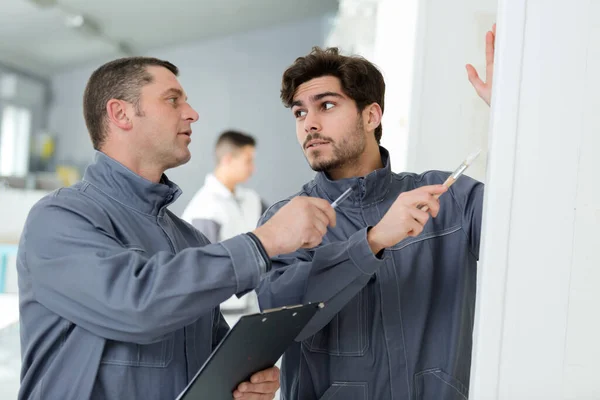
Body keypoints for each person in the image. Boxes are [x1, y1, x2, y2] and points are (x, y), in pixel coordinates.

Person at [16, 57, 337, 400]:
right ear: (120, 113)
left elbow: (210, 362)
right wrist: (264, 242)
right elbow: (137, 304)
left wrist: (240, 383)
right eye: (173, 100)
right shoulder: (59, 218)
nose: (192, 113)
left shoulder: (188, 240)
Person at [255, 26, 495, 400]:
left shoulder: (449, 197)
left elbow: (533, 226)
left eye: (327, 105)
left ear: (371, 116)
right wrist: (373, 241)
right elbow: (284, 318)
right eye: (300, 112)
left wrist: (515, 119)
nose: (309, 123)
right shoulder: (288, 219)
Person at [182, 130, 268, 311]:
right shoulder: (205, 208)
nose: (253, 168)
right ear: (228, 159)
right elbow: (201, 272)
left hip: (252, 308)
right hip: (222, 315)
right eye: (248, 160)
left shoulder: (252, 200)